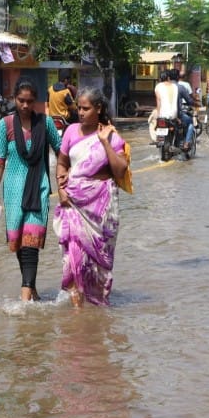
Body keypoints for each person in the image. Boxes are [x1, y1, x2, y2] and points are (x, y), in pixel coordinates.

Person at [0, 77, 62, 302]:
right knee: (20, 242)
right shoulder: (5, 125)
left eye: (30, 101)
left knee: (31, 242)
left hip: (38, 188)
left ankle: (24, 295)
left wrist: (63, 181)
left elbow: (61, 152)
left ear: (36, 101)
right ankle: (33, 291)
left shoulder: (45, 123)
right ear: (14, 99)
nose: (26, 106)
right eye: (21, 100)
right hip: (13, 191)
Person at [53, 87, 128, 308]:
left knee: (98, 265)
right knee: (74, 259)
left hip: (100, 209)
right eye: (79, 108)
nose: (81, 112)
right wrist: (61, 189)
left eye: (86, 108)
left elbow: (121, 171)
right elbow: (62, 163)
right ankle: (78, 313)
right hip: (73, 204)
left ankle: (97, 308)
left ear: (99, 108)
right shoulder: (70, 132)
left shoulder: (111, 136)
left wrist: (104, 141)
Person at [171, 69, 196, 151]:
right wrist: (193, 103)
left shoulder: (163, 87)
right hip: (177, 114)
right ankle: (186, 143)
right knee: (190, 122)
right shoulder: (180, 87)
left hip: (163, 115)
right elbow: (189, 100)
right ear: (178, 77)